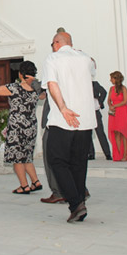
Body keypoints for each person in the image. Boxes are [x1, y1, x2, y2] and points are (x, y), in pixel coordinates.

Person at [43, 31, 97, 223]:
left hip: (62, 120)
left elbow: (51, 84)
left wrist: (64, 108)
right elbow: (93, 67)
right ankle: (79, 202)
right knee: (79, 164)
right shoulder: (85, 59)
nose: (51, 46)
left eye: (52, 43)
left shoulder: (53, 58)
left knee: (56, 160)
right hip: (85, 121)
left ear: (57, 43)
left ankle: (76, 204)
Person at [0, 61, 41, 194]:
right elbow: (43, 95)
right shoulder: (37, 89)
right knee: (27, 155)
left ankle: (24, 186)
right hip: (31, 125)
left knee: (17, 157)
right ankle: (35, 181)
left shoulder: (15, 88)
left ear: (20, 74)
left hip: (17, 126)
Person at [107, 71, 127, 162]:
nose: (110, 80)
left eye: (112, 78)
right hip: (114, 113)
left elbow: (125, 101)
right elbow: (108, 100)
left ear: (116, 79)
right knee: (116, 133)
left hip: (122, 112)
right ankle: (119, 154)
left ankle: (126, 154)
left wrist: (115, 106)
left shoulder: (123, 89)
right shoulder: (111, 89)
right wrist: (110, 105)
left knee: (123, 133)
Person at [88, 80, 113, 160]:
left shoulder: (94, 84)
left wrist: (100, 102)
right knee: (88, 134)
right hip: (86, 113)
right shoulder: (80, 84)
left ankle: (107, 154)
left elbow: (104, 92)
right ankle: (91, 154)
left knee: (100, 133)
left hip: (95, 112)